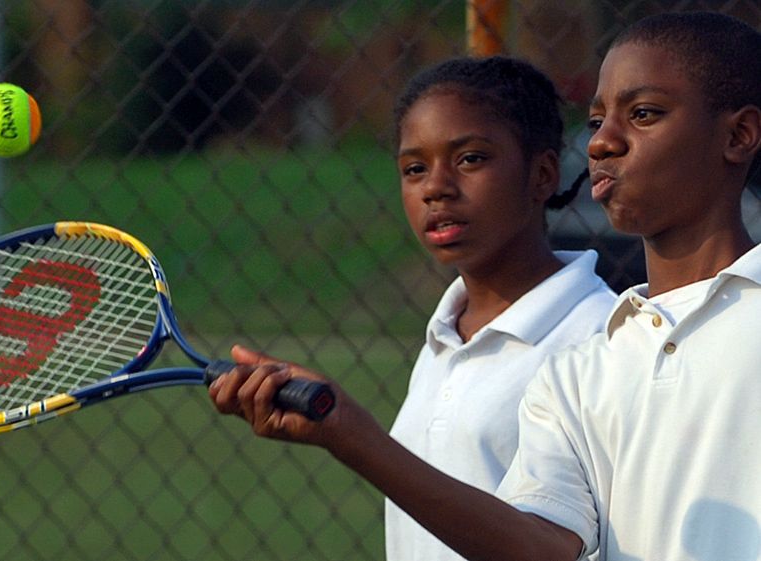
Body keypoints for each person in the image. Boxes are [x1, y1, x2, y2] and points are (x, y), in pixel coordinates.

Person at [209, 10, 761, 561]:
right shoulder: (580, 372)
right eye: (596, 122)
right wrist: (344, 430)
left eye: (643, 114)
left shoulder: (597, 332)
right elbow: (543, 549)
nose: (601, 144)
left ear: (739, 135)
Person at [384, 56, 616, 561]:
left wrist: (352, 438)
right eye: (414, 169)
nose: (435, 188)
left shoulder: (600, 335)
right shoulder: (444, 337)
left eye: (470, 159)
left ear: (542, 175)